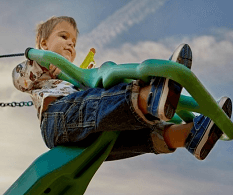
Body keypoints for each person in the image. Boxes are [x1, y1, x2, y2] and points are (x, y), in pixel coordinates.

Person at [12, 16, 232, 161]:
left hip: (86, 137)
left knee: (125, 136)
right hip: (57, 121)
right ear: (42, 44)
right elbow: (19, 78)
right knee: (98, 101)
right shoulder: (36, 68)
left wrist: (77, 74)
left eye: (74, 42)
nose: (70, 44)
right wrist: (39, 62)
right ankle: (149, 97)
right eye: (63, 37)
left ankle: (189, 135)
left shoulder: (73, 75)